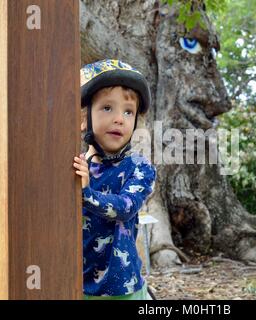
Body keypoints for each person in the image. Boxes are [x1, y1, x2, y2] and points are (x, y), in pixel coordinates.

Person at [73, 59, 156, 299]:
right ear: (82, 118)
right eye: (108, 108)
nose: (119, 118)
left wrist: (86, 194)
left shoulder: (139, 168)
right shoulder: (75, 166)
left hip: (123, 289)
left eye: (128, 111)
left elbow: (125, 207)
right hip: (77, 285)